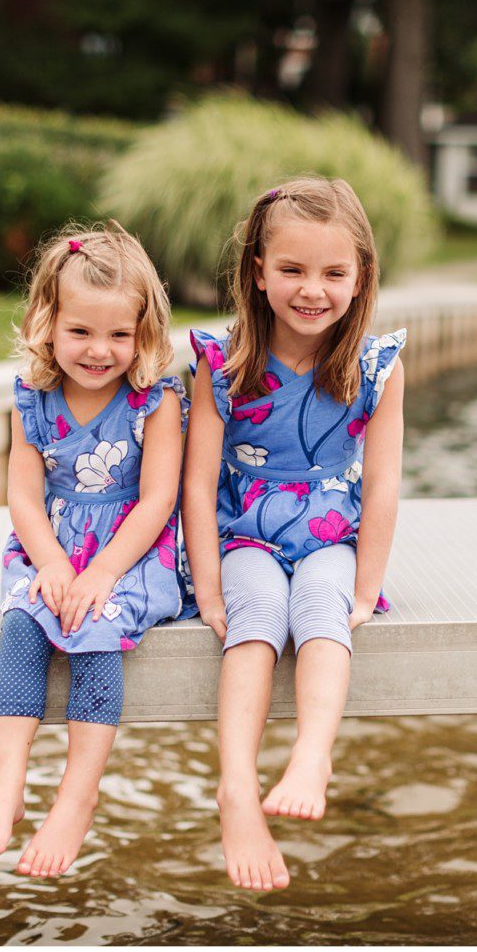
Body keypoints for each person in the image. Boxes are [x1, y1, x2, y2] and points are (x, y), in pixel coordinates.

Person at [183, 176, 405, 892]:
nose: (313, 290)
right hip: (244, 532)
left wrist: (366, 590)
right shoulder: (222, 365)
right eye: (292, 270)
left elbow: (383, 484)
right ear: (258, 271)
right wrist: (208, 588)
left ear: (360, 277)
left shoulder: (375, 367)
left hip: (331, 533)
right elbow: (195, 482)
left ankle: (313, 752)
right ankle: (237, 791)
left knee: (319, 610)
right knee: (256, 619)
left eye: (333, 273)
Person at [0, 224, 192, 877]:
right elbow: (24, 499)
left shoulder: (156, 403)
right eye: (81, 332)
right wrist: (56, 566)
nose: (99, 351)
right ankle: (4, 790)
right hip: (51, 548)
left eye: (120, 335)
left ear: (144, 333)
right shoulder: (33, 401)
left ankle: (75, 797)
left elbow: (157, 501)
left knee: (96, 627)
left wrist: (101, 573)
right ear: (47, 323)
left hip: (130, 553)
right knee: (22, 627)